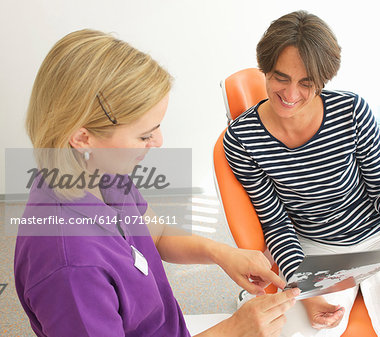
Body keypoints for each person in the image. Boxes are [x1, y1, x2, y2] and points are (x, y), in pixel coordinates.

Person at [14, 29, 300, 337]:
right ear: (83, 137)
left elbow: (156, 233)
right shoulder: (71, 271)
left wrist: (221, 254)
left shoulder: (96, 170)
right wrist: (235, 330)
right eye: (144, 135)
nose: (159, 141)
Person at [223, 10, 380, 336]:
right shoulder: (242, 139)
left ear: (323, 80)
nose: (290, 94)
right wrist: (301, 286)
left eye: (306, 83)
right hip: (314, 251)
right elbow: (275, 223)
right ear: (265, 70)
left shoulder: (352, 112)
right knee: (305, 329)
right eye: (279, 77)